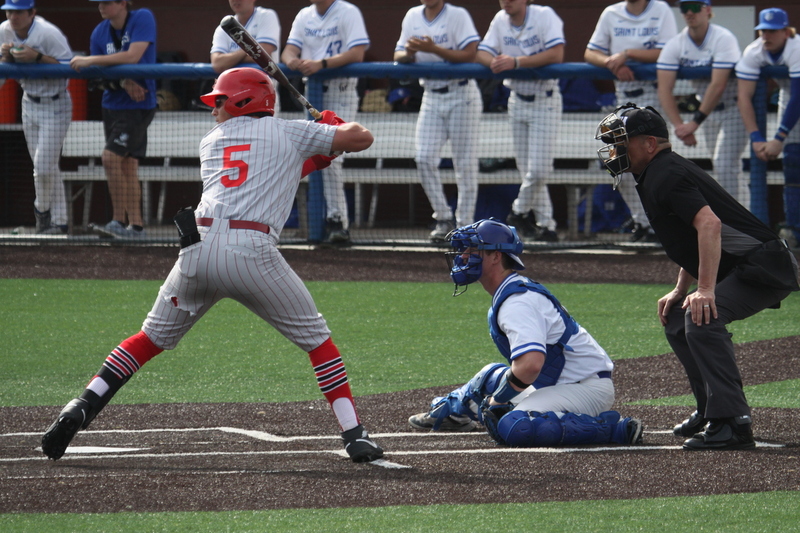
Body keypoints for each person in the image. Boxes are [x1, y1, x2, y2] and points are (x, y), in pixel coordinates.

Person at [41, 68, 384, 464]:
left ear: (243, 101)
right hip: (250, 251)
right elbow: (363, 137)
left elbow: (282, 170)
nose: (214, 108)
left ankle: (82, 404)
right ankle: (354, 434)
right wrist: (331, 128)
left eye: (220, 100)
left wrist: (324, 144)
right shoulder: (289, 131)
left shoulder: (213, 141)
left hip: (197, 249)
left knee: (148, 339)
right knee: (319, 342)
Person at [595, 103, 799, 450]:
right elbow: (693, 241)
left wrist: (705, 290)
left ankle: (733, 422)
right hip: (746, 264)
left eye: (622, 142)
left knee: (702, 318)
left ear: (649, 144)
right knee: (677, 318)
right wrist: (680, 289)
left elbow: (709, 225)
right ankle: (710, 409)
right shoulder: (655, 172)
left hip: (764, 265)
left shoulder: (666, 173)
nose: (614, 151)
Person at [408, 219, 643, 447]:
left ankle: (614, 429)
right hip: (560, 384)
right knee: (489, 377)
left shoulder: (517, 302)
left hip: (585, 390)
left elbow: (530, 366)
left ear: (496, 256)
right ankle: (454, 413)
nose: (463, 256)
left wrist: (497, 400)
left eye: (472, 249)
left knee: (515, 425)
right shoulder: (511, 291)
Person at [585, 0, 677, 242]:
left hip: (652, 97)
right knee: (619, 165)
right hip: (623, 98)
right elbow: (589, 52)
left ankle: (662, 223)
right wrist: (610, 62)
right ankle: (643, 222)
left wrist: (627, 55)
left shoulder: (660, 10)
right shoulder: (611, 12)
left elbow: (668, 51)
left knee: (655, 165)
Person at [281, 0, 370, 244]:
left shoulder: (348, 11)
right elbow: (288, 50)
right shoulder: (304, 15)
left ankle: (337, 221)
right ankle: (324, 221)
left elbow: (357, 53)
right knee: (311, 154)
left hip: (341, 91)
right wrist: (291, 61)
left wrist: (321, 64)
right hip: (313, 93)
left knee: (332, 158)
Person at [475, 0, 563, 243]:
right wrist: (492, 62)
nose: (507, 1)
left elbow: (557, 53)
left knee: (539, 170)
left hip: (544, 99)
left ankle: (517, 212)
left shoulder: (544, 15)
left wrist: (517, 62)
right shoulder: (500, 20)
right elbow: (482, 52)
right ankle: (546, 225)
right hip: (517, 100)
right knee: (527, 170)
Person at [393, 0, 481, 242]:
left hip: (461, 93)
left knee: (464, 164)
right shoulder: (412, 15)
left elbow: (470, 53)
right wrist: (410, 53)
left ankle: (465, 225)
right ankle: (443, 217)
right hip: (431, 95)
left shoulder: (457, 14)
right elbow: (398, 54)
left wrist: (433, 49)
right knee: (423, 158)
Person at [69, 0, 157, 239]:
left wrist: (89, 60)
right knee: (127, 165)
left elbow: (133, 55)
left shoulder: (142, 17)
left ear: (122, 3)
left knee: (110, 158)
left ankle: (118, 221)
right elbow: (97, 78)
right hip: (112, 105)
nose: (101, 7)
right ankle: (136, 227)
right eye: (99, 3)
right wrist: (122, 81)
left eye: (107, 2)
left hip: (139, 105)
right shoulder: (99, 32)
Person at [657, 0, 748, 206]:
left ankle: (737, 224)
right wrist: (680, 126)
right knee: (724, 167)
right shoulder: (676, 43)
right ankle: (747, 222)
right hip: (707, 114)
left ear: (708, 10)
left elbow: (718, 85)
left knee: (725, 165)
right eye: (685, 8)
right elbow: (663, 88)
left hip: (733, 109)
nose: (690, 12)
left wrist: (694, 123)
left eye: (696, 7)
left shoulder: (723, 38)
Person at [0, 0, 73, 234]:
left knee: (43, 167)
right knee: (47, 166)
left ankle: (41, 212)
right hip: (29, 103)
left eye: (19, 11)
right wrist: (5, 58)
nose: (13, 16)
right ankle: (59, 223)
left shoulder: (48, 33)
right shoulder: (4, 30)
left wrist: (37, 57)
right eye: (9, 11)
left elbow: (69, 68)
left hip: (55, 102)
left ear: (32, 12)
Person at [736, 8, 800, 249]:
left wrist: (778, 137)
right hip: (789, 99)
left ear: (785, 31)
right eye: (763, 30)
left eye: (772, 30)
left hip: (795, 97)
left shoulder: (796, 47)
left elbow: (799, 95)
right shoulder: (754, 51)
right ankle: (796, 231)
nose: (766, 35)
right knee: (793, 167)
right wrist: (755, 136)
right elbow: (744, 96)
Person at [210, 0, 281, 114]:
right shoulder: (224, 26)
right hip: (231, 98)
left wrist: (231, 58)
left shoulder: (266, 16)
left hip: (262, 96)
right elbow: (217, 63)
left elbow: (264, 53)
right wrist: (249, 47)